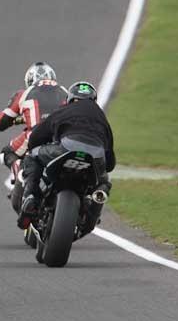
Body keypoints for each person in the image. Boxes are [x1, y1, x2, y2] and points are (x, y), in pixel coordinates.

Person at [17, 81, 115, 229]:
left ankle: (31, 195)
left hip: (66, 149)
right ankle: (92, 213)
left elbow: (37, 136)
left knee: (32, 156)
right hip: (95, 156)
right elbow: (110, 162)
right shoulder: (102, 117)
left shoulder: (64, 110)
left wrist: (35, 146)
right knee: (104, 181)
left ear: (70, 98)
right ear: (94, 100)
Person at [0, 62, 68, 169]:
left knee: (6, 153)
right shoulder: (65, 91)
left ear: (29, 80)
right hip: (64, 135)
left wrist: (15, 120)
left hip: (36, 135)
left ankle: (20, 178)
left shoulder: (24, 93)